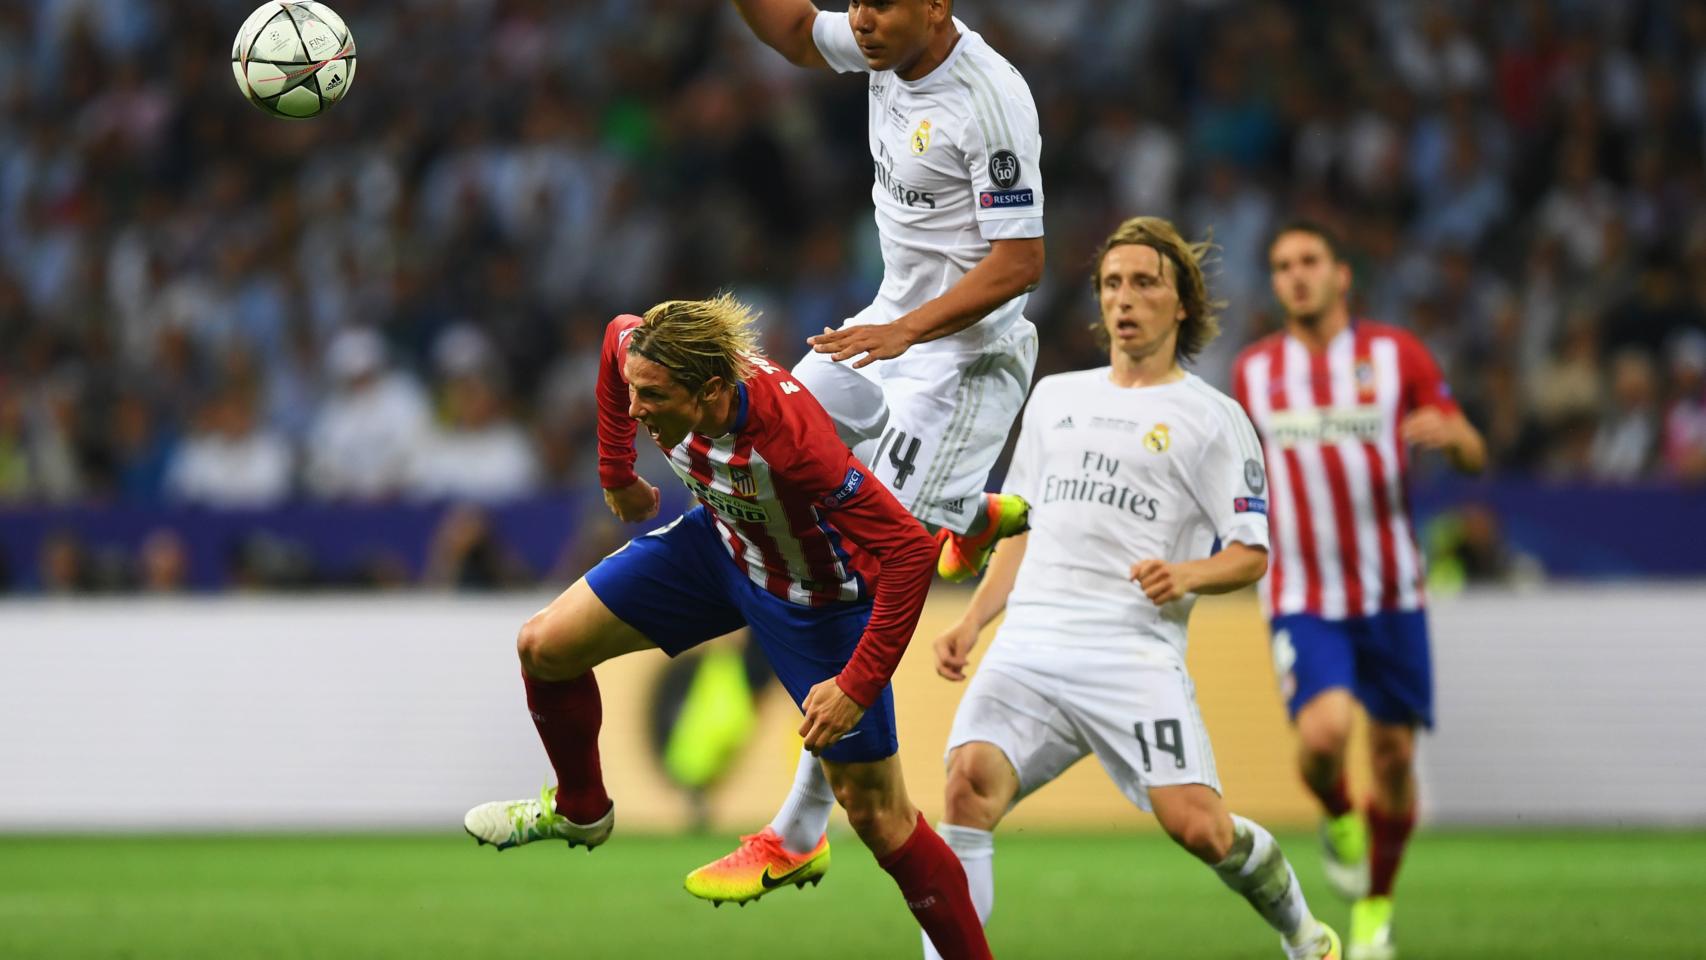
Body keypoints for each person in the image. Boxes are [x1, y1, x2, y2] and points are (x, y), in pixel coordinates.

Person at [463, 295, 993, 959]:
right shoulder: (645, 358)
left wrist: (856, 685)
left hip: (815, 600)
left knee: (880, 818)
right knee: (543, 646)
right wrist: (617, 472)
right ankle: (582, 807)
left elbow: (909, 552)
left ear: (712, 391)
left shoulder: (794, 442)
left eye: (651, 397)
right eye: (634, 390)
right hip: (717, 548)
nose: (635, 407)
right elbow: (612, 342)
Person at [691, 0, 1045, 904]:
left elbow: (1020, 261)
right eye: (859, 3)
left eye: (885, 5)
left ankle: (798, 830)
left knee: (867, 565)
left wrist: (911, 334)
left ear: (938, 6)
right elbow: (792, 31)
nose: (866, 21)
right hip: (885, 327)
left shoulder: (991, 96)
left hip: (966, 359)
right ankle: (967, 516)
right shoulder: (878, 35)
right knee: (773, 442)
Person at [923, 216, 1341, 960]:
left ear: (1182, 304)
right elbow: (1018, 527)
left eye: (1145, 282)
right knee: (966, 787)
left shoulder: (1214, 420)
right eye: (1112, 283)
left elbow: (1250, 555)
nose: (1125, 298)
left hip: (1131, 652)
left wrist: (1187, 573)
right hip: (1033, 643)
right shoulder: (1055, 397)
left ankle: (1303, 933)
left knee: (1201, 829)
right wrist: (975, 620)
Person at [1233, 222, 1486, 960]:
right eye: (1282, 265)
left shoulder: (1395, 355)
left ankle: (1376, 903)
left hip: (1392, 591)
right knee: (1322, 738)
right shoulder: (1253, 371)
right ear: (1275, 282)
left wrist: (1457, 436)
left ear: (1342, 274)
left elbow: (1473, 449)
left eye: (1309, 261)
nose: (1296, 276)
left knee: (1394, 760)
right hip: (1302, 591)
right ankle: (1338, 810)